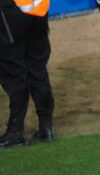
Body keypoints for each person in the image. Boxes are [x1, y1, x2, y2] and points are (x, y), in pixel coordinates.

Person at [0, 0, 55, 147]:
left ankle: (15, 132)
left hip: (11, 10)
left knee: (13, 70)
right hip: (38, 9)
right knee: (37, 67)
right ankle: (46, 126)